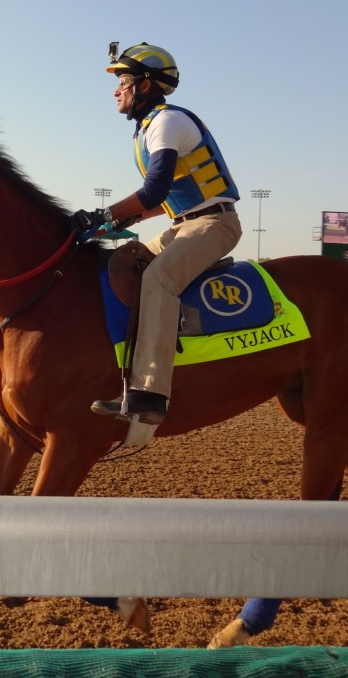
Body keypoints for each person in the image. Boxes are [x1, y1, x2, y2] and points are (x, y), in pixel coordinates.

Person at [71, 42, 242, 426]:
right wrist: (114, 223)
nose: (116, 90)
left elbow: (153, 191)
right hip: (184, 223)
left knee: (159, 279)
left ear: (145, 85)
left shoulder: (167, 121)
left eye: (123, 82)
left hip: (215, 225)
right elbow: (161, 201)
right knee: (123, 262)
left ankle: (150, 394)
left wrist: (103, 214)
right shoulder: (149, 127)